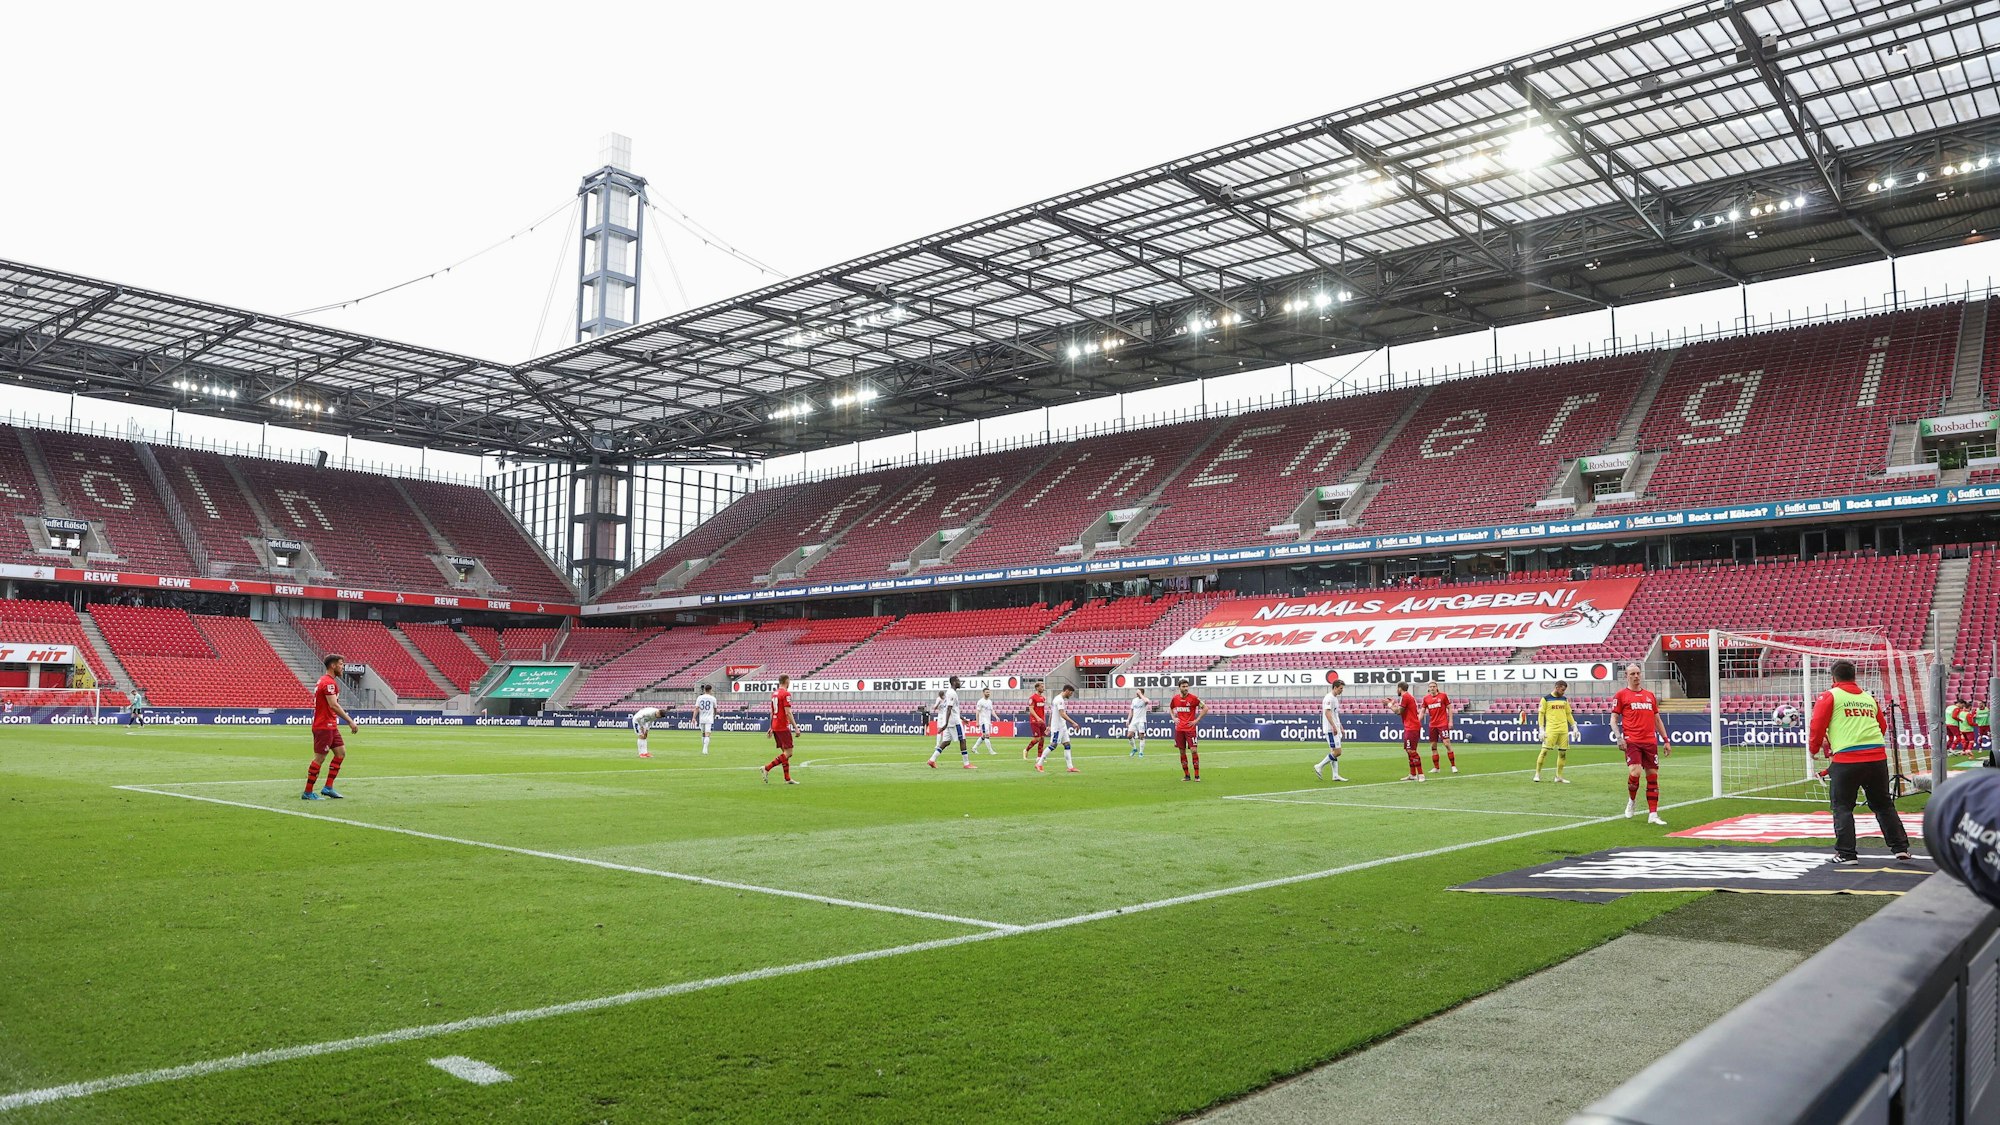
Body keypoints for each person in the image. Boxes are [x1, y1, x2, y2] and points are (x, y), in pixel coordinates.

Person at [1809, 659, 1912, 864]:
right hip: (1877, 758)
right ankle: (1900, 848)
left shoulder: (1830, 696)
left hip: (1847, 759)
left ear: (1833, 677)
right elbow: (1881, 726)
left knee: (1842, 807)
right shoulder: (1868, 698)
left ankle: (1846, 854)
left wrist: (1813, 749)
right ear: (1854, 676)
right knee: (1883, 804)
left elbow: (1817, 725)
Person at [1611, 663, 1670, 824]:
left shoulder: (1650, 695)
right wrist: (1619, 737)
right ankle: (1632, 801)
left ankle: (1653, 814)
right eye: (1632, 674)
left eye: (1638, 673)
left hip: (1650, 742)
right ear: (1626, 676)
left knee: (1652, 776)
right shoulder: (1621, 695)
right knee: (1635, 772)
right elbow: (1613, 719)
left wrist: (1666, 740)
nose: (1636, 676)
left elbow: (1657, 720)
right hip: (1632, 741)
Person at [302, 653, 357, 800]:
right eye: (341, 664)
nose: (342, 667)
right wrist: (350, 721)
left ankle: (328, 787)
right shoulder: (328, 683)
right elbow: (333, 705)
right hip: (324, 726)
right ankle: (308, 792)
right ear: (333, 666)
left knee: (340, 753)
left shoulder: (326, 681)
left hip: (331, 725)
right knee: (319, 758)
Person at [1534, 681, 1578, 784]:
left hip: (1563, 729)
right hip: (1551, 729)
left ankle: (1559, 777)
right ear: (1556, 687)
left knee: (1562, 753)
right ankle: (1537, 774)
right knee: (1544, 751)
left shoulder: (1564, 700)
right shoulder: (1546, 699)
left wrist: (1574, 726)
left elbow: (1568, 714)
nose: (1563, 692)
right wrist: (1541, 729)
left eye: (1564, 690)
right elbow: (1541, 714)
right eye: (1562, 690)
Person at [927, 676, 973, 769]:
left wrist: (963, 718)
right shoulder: (952, 693)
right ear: (954, 682)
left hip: (950, 720)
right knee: (962, 740)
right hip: (954, 722)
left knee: (946, 742)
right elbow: (949, 708)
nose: (960, 682)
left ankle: (932, 760)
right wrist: (945, 724)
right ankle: (966, 763)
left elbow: (953, 710)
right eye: (958, 681)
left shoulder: (949, 692)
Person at [762, 673, 798, 784]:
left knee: (784, 753)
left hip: (775, 725)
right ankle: (767, 768)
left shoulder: (774, 694)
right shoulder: (786, 694)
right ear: (787, 681)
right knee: (789, 753)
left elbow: (772, 712)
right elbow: (788, 712)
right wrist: (796, 727)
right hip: (782, 726)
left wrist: (771, 727)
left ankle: (787, 778)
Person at [1169, 678, 1206, 782]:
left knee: (1194, 750)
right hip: (1179, 729)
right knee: (1182, 752)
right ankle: (1187, 775)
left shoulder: (1193, 698)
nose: (1186, 688)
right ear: (1179, 688)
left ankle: (1197, 776)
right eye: (1183, 686)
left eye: (1187, 686)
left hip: (1190, 729)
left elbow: (1205, 708)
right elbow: (1170, 708)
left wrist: (1196, 720)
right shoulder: (1175, 699)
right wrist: (1173, 718)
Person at [1037, 684, 1080, 773]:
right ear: (1067, 691)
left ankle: (1070, 767)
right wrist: (1073, 723)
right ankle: (1039, 764)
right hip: (1057, 727)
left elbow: (1052, 713)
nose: (1071, 695)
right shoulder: (1059, 700)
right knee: (1053, 745)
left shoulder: (1057, 699)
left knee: (1067, 744)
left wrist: (1049, 725)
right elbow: (1062, 714)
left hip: (1062, 726)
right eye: (1070, 693)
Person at [1313, 679, 1348, 782]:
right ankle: (1319, 766)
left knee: (1334, 751)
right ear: (1335, 687)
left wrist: (1340, 727)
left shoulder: (1335, 699)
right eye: (1340, 688)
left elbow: (1335, 715)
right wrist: (1333, 726)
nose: (1342, 690)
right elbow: (1327, 713)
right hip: (1330, 729)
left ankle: (1335, 775)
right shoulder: (1329, 698)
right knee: (1338, 752)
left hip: (1335, 728)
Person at [1423, 679, 1457, 774]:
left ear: (1437, 687)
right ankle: (1436, 768)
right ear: (1428, 688)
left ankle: (1453, 766)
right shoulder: (1426, 698)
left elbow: (1449, 707)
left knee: (1446, 743)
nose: (1432, 688)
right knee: (1433, 746)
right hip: (1432, 725)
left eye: (1434, 686)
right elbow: (1422, 711)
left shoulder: (1443, 696)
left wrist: (1450, 721)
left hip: (1442, 723)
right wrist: (1417, 721)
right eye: (1430, 687)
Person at [1392, 682, 1424, 782]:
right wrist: (1393, 704)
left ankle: (1421, 774)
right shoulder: (1407, 697)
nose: (1396, 690)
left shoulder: (1405, 697)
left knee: (1411, 750)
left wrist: (1389, 705)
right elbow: (1401, 709)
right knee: (1408, 750)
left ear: (1400, 688)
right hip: (1409, 726)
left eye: (1397, 688)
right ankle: (1413, 774)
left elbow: (1398, 711)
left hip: (1412, 727)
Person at [1024, 681, 1048, 761]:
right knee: (1037, 738)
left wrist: (1043, 719)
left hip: (1042, 721)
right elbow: (1031, 709)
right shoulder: (1032, 698)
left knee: (1042, 738)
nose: (1043, 688)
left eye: (1043, 687)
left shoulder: (1043, 698)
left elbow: (1042, 710)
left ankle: (1039, 757)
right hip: (1034, 720)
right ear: (1037, 688)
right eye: (1041, 687)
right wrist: (1037, 718)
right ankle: (1026, 750)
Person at [972, 688, 998, 755]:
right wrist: (977, 722)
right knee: (987, 735)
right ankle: (991, 751)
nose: (988, 693)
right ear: (983, 693)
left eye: (989, 692)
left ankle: (974, 748)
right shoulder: (980, 701)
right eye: (987, 692)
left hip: (988, 721)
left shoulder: (989, 701)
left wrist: (996, 716)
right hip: (983, 721)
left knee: (983, 736)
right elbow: (977, 712)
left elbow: (992, 710)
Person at [693, 684, 717, 755]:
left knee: (703, 734)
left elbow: (696, 708)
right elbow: (715, 708)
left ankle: (704, 748)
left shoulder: (699, 697)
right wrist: (715, 715)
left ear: (704, 690)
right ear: (710, 690)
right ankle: (705, 749)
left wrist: (694, 717)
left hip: (702, 718)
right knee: (707, 734)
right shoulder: (713, 698)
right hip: (709, 718)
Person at [1126, 689, 1150, 757]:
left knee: (1141, 736)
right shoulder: (1134, 700)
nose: (1136, 693)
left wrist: (1140, 694)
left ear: (1141, 693)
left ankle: (1141, 752)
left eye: (1138, 692)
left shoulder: (1145, 699)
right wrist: (1128, 719)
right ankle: (1134, 749)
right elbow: (1131, 710)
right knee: (1129, 735)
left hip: (1141, 720)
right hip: (1134, 720)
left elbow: (1146, 701)